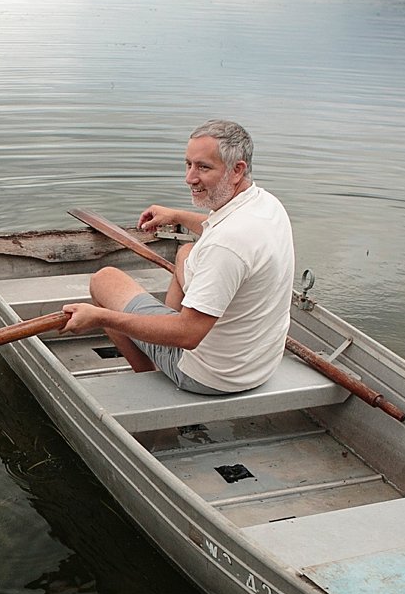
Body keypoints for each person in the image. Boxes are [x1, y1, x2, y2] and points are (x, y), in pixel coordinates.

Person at [62, 119, 294, 394]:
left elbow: (188, 334)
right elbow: (218, 229)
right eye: (189, 164)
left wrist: (101, 317)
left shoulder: (226, 245)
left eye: (203, 167)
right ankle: (162, 332)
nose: (189, 178)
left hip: (208, 376)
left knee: (105, 280)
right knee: (185, 252)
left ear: (237, 170)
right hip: (258, 365)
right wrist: (176, 215)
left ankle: (151, 374)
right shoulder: (265, 204)